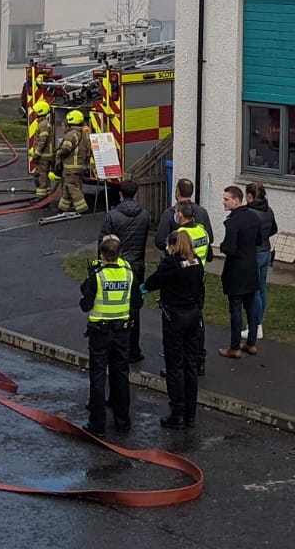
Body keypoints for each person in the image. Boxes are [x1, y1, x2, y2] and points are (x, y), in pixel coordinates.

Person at [143, 229, 205, 429]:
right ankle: (190, 415)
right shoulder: (197, 263)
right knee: (191, 366)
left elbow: (153, 282)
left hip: (175, 317)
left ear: (173, 245)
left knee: (175, 366)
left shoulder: (172, 264)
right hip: (194, 316)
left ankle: (177, 413)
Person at [79, 234, 134, 436]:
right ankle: (123, 422)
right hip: (122, 331)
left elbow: (86, 305)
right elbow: (136, 300)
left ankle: (97, 424)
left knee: (98, 376)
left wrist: (88, 281)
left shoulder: (98, 275)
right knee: (121, 376)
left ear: (102, 253)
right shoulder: (128, 272)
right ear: (120, 254)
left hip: (100, 333)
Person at [99, 179, 155, 364]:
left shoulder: (112, 215)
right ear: (136, 194)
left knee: (113, 308)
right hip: (137, 266)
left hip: (117, 265)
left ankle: (114, 349)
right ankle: (133, 350)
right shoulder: (145, 215)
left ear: (120, 194)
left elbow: (104, 242)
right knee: (134, 308)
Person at [217, 185, 265, 359]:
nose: (223, 202)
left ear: (236, 201)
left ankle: (234, 346)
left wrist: (222, 247)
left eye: (226, 199)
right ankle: (251, 343)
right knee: (251, 307)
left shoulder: (233, 222)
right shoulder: (253, 217)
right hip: (251, 266)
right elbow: (260, 240)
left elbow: (229, 248)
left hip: (236, 269)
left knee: (236, 308)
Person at [245, 182, 278, 343]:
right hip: (266, 251)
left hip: (256, 253)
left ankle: (255, 326)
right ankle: (259, 323)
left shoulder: (250, 213)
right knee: (262, 289)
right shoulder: (268, 210)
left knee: (254, 291)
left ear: (250, 196)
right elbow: (274, 229)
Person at [154, 177, 214, 255]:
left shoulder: (170, 213)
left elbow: (160, 241)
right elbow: (210, 238)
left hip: (176, 262)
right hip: (198, 264)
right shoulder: (202, 212)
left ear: (177, 192)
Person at [57, 109, 94, 215]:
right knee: (70, 186)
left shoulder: (71, 134)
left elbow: (66, 149)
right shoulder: (83, 133)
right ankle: (63, 207)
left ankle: (82, 209)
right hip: (79, 166)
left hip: (70, 166)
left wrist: (59, 153)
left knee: (72, 186)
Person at [27, 97, 57, 197]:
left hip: (44, 156)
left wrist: (36, 154)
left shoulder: (43, 124)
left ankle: (41, 196)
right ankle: (46, 193)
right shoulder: (43, 123)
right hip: (46, 155)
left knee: (41, 176)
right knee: (43, 175)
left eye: (35, 112)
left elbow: (42, 141)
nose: (34, 113)